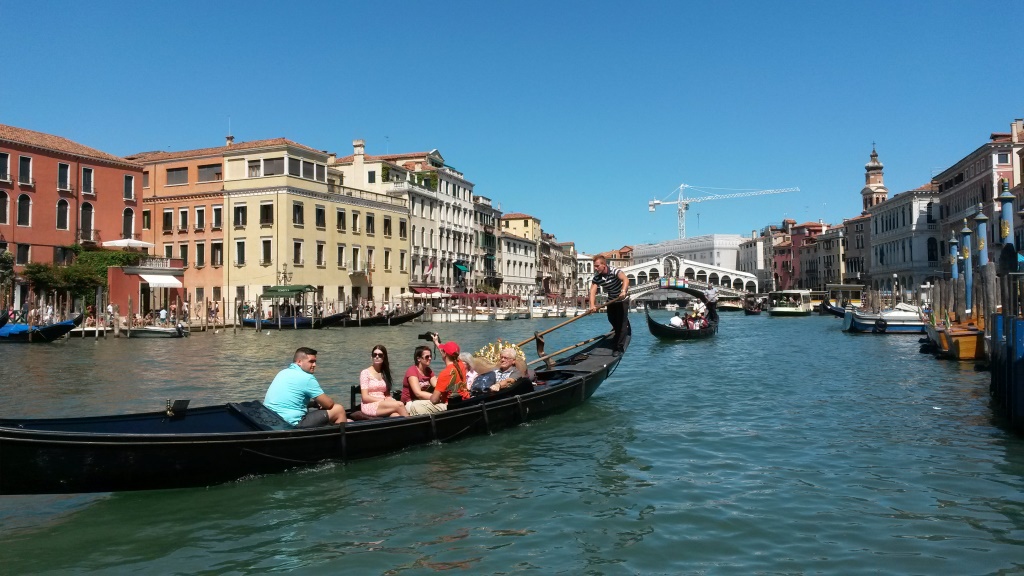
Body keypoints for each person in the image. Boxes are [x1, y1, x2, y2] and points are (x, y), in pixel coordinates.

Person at [264, 347, 347, 427]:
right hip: (291, 423)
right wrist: (323, 403)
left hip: (270, 420)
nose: (314, 365)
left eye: (315, 362)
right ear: (299, 362)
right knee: (338, 409)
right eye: (311, 361)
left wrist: (314, 404)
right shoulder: (307, 378)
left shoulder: (283, 372)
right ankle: (341, 435)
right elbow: (329, 404)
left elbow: (290, 401)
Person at [589, 255, 630, 355]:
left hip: (622, 299)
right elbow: (592, 291)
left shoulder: (614, 271)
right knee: (611, 319)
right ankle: (618, 334)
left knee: (621, 323)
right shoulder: (597, 277)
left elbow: (625, 279)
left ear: (604, 265)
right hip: (611, 300)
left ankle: (619, 347)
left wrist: (623, 291)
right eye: (594, 266)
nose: (595, 268)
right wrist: (592, 305)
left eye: (597, 266)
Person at [358, 345, 408, 417]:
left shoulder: (384, 373)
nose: (377, 357)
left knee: (396, 415)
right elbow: (365, 397)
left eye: (380, 355)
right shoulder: (365, 373)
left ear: (384, 357)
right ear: (371, 357)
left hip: (383, 403)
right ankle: (413, 423)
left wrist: (390, 399)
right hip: (369, 404)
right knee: (400, 405)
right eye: (374, 355)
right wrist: (383, 400)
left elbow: (387, 394)